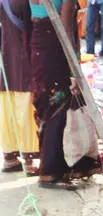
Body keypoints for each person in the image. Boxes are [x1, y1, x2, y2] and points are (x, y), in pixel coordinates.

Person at [29, 0, 101, 189]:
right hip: (56, 47)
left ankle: (55, 168)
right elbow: (66, 29)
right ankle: (52, 171)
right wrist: (74, 70)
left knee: (47, 106)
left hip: (39, 44)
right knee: (59, 107)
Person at [0, 0, 39, 174]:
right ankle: (29, 159)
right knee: (25, 109)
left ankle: (9, 156)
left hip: (5, 61)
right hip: (24, 59)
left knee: (6, 108)